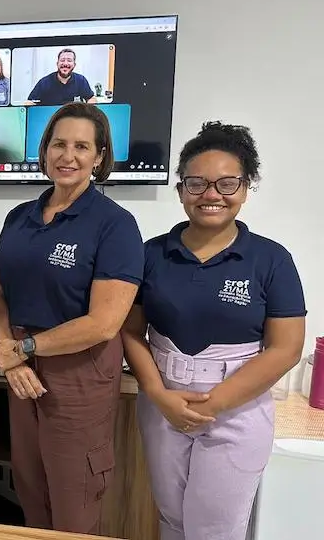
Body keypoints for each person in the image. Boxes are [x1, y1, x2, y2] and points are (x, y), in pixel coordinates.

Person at [120, 122, 306, 540]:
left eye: (226, 183)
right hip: (163, 404)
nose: (211, 195)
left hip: (236, 410)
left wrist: (213, 405)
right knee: (171, 520)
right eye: (197, 183)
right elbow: (130, 332)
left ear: (245, 188)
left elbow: (286, 348)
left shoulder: (271, 260)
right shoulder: (151, 254)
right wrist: (159, 395)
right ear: (181, 189)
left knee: (215, 529)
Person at [0, 102, 144, 534]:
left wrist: (22, 349)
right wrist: (8, 351)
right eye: (58, 144)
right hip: (19, 365)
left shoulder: (115, 225)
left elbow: (104, 323)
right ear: (44, 150)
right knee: (29, 487)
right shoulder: (19, 217)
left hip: (79, 370)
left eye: (81, 146)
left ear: (99, 156)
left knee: (74, 498)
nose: (67, 156)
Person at [27, 48, 96, 106]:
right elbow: (29, 102)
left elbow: (91, 98)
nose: (65, 63)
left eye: (69, 60)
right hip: (51, 117)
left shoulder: (81, 80)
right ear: (57, 64)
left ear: (74, 65)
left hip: (73, 117)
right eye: (62, 60)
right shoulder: (44, 82)